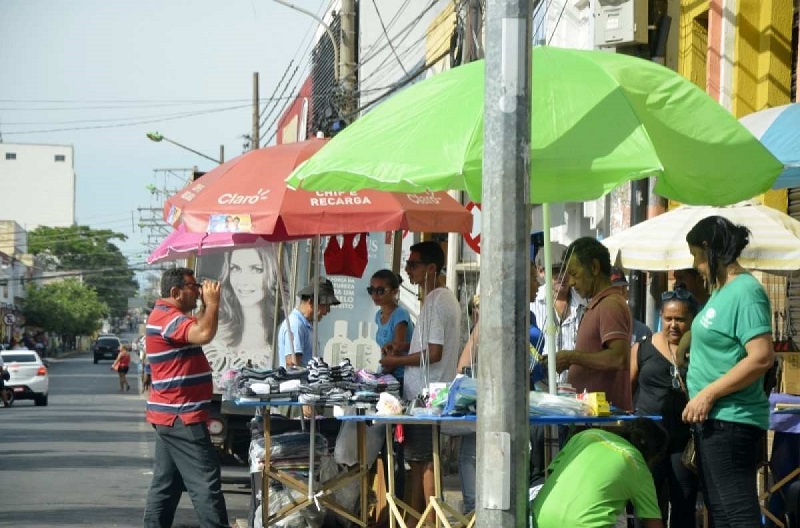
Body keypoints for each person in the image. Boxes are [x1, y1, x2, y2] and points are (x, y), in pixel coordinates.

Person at [681, 215, 774, 527]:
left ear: (709, 249)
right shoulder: (721, 291)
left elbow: (761, 357)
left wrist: (708, 394)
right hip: (714, 422)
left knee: (737, 513)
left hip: (731, 420)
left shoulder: (746, 291)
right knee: (720, 513)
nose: (695, 265)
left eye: (696, 255)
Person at [380, 241, 461, 519]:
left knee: (426, 464)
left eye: (413, 265)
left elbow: (435, 353)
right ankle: (416, 520)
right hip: (425, 397)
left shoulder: (438, 300)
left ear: (431, 269)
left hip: (428, 398)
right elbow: (431, 347)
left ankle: (430, 521)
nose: (408, 270)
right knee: (417, 464)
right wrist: (403, 349)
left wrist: (397, 361)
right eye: (408, 264)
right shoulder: (438, 299)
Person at [143, 267, 229, 528]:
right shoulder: (169, 319)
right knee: (206, 481)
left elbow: (198, 330)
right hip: (181, 415)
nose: (198, 290)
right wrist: (212, 303)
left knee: (167, 483)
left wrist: (205, 305)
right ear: (175, 292)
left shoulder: (170, 318)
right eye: (193, 286)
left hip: (170, 414)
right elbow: (204, 334)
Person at [631, 288, 699, 527]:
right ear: (661, 316)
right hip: (647, 441)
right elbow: (626, 390)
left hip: (683, 441)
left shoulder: (700, 352)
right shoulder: (642, 348)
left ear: (692, 320)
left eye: (680, 319)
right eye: (668, 318)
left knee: (684, 503)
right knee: (648, 507)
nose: (673, 325)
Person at [532, 418, 668, 528]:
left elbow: (551, 474)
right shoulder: (637, 466)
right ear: (653, 455)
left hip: (540, 517)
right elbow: (653, 523)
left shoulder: (585, 435)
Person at [553, 237, 633, 411]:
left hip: (603, 421)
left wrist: (571, 357)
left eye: (574, 274)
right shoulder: (597, 304)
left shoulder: (609, 305)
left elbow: (618, 358)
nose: (572, 283)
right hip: (589, 417)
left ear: (594, 267)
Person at [203, 246, 283, 374]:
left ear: (272, 273)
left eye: (256, 269)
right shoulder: (215, 330)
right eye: (235, 268)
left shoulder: (281, 330)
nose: (243, 281)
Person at [277, 277, 340, 367]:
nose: (328, 311)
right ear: (311, 302)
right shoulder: (296, 325)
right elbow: (292, 366)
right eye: (326, 305)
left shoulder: (305, 325)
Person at [370, 269, 413, 383]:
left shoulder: (400, 314)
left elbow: (397, 349)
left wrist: (380, 376)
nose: (375, 295)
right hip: (387, 372)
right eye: (372, 290)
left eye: (380, 291)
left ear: (394, 292)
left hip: (400, 376)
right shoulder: (378, 315)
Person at [610, 267, 653, 345]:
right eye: (614, 290)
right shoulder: (595, 328)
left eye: (623, 289)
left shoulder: (642, 332)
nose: (619, 295)